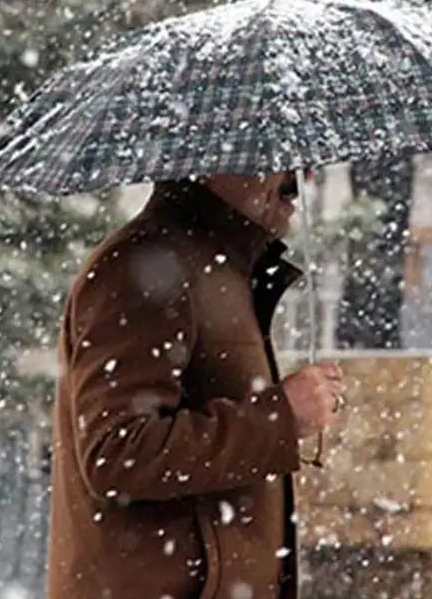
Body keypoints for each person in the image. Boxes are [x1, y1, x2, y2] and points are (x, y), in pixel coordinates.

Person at [47, 171, 346, 599]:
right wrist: (279, 417)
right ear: (216, 163)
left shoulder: (215, 267)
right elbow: (117, 453)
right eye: (278, 161)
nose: (301, 177)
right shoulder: (145, 266)